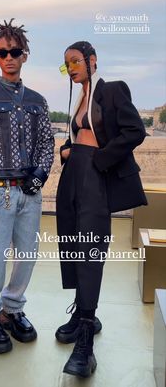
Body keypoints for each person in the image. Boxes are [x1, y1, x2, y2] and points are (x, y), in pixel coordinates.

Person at [55, 41, 147, 377]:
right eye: (66, 65)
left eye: (75, 61)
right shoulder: (80, 97)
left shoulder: (112, 90)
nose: (71, 68)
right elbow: (81, 133)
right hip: (73, 175)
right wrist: (68, 150)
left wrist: (100, 160)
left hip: (95, 176)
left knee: (91, 249)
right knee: (71, 244)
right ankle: (82, 314)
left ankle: (85, 343)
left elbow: (135, 131)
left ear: (92, 60)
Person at [0, 18, 54, 355]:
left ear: (24, 55)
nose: (8, 57)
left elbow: (48, 143)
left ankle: (12, 309)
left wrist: (40, 175)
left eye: (14, 51)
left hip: (30, 194)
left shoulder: (38, 100)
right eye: (2, 52)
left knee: (28, 256)